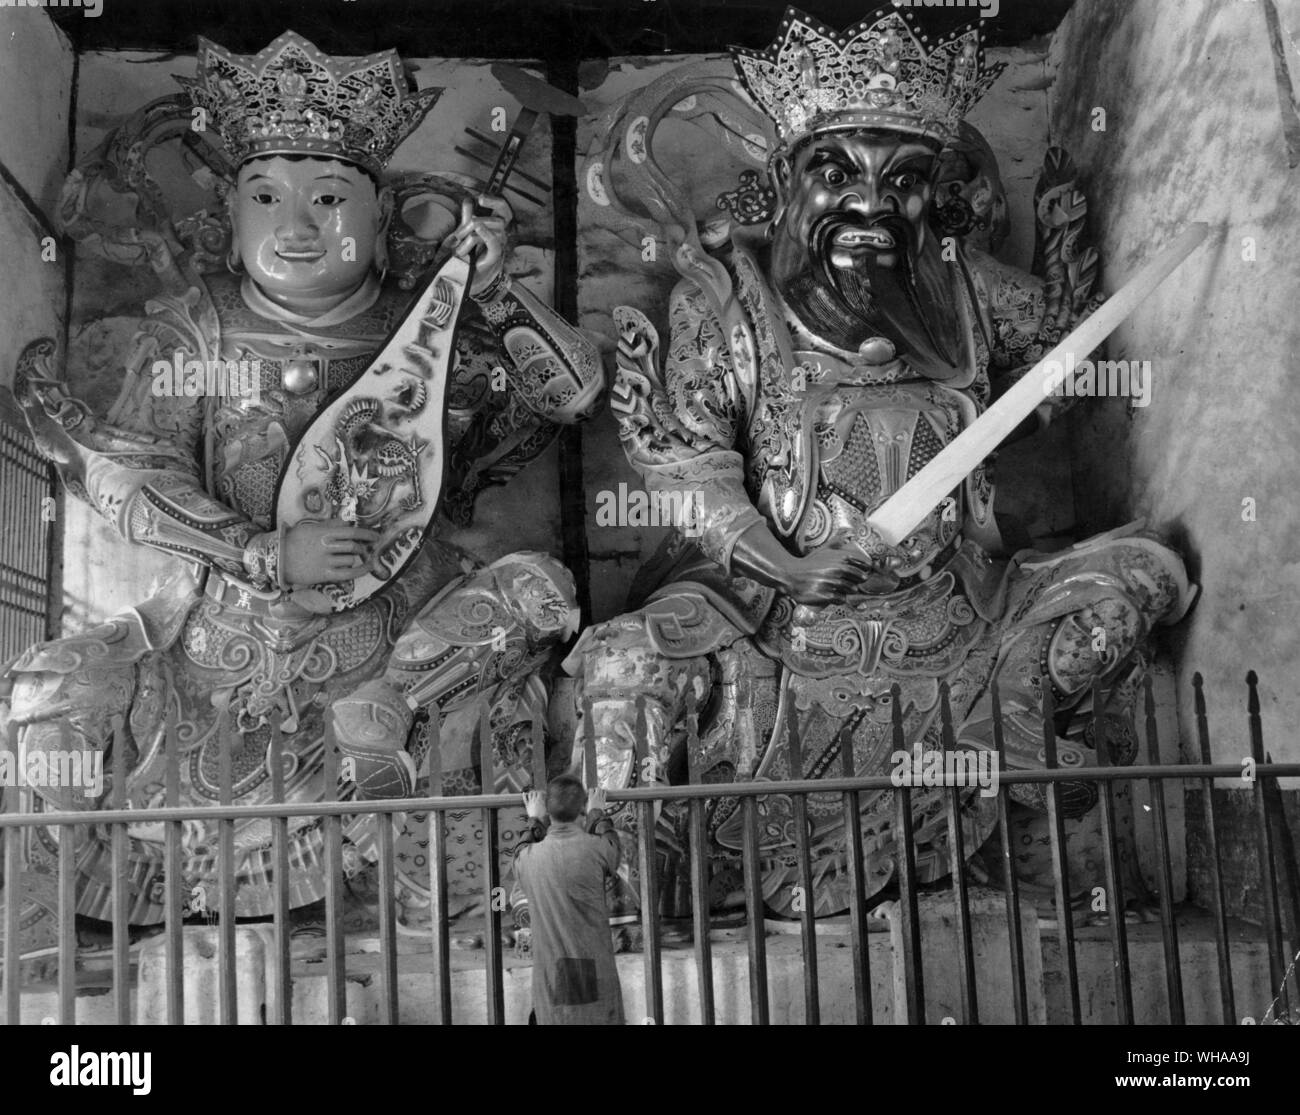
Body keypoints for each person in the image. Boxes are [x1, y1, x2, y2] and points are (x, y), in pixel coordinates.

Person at [567, 5, 1192, 918]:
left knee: (1141, 574)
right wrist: (785, 564)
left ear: (934, 197)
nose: (867, 203)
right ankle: (632, 888)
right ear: (784, 182)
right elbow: (689, 466)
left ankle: (1028, 790)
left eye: (901, 179)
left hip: (961, 619)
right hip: (773, 620)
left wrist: (1060, 244)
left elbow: (1061, 359)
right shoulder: (725, 303)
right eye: (834, 172)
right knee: (624, 664)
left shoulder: (964, 286)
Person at [1, 31, 601, 953]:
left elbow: (572, 395)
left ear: (378, 206)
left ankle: (402, 793)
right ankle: (64, 916)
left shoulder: (425, 332)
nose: (298, 223)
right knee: (51, 691)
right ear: (230, 211)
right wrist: (257, 551)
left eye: (329, 199)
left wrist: (497, 295)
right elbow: (126, 474)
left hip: (400, 636)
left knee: (535, 595)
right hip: (216, 636)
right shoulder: (193, 332)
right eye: (266, 196)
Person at [514, 779, 625, 1025]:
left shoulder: (529, 858)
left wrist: (534, 820)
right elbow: (614, 848)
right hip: (593, 965)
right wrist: (598, 814)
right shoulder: (596, 849)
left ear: (547, 810)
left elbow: (520, 849)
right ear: (582, 808)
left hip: (551, 972)